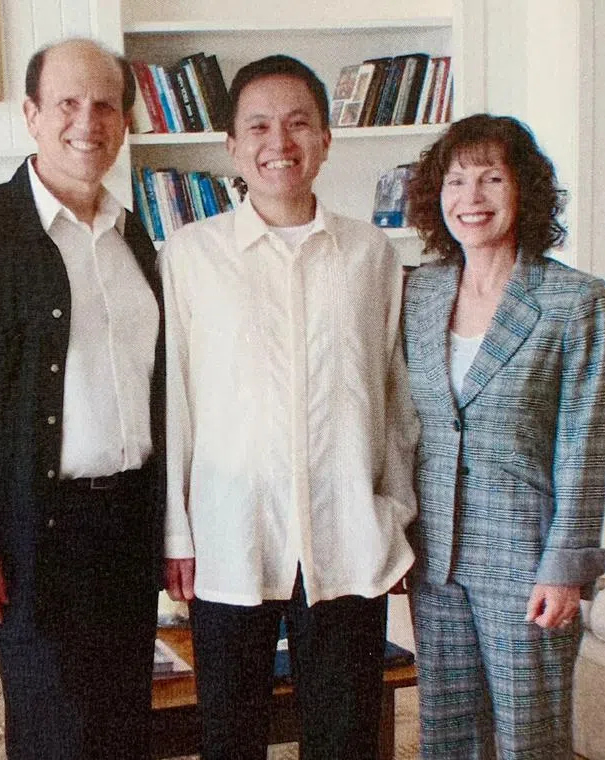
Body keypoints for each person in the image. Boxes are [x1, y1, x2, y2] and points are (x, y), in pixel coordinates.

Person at [0, 38, 164, 760]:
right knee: (56, 734)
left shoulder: (132, 236)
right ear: (31, 114)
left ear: (125, 121)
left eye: (106, 104)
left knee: (121, 727)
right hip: (31, 532)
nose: (89, 121)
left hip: (127, 526)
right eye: (67, 104)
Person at [159, 54, 418, 760]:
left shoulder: (371, 254)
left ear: (327, 139)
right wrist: (177, 536)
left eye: (300, 123)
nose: (282, 142)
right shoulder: (189, 254)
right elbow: (176, 406)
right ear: (233, 146)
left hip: (347, 532)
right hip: (230, 534)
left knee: (344, 733)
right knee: (231, 732)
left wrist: (395, 515)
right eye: (261, 126)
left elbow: (393, 395)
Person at [402, 113, 605, 759]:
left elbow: (585, 443)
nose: (472, 198)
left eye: (492, 179)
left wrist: (565, 569)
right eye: (457, 180)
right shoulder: (419, 291)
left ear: (524, 189)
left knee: (530, 737)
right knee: (447, 733)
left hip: (527, 558)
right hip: (436, 553)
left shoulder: (574, 299)